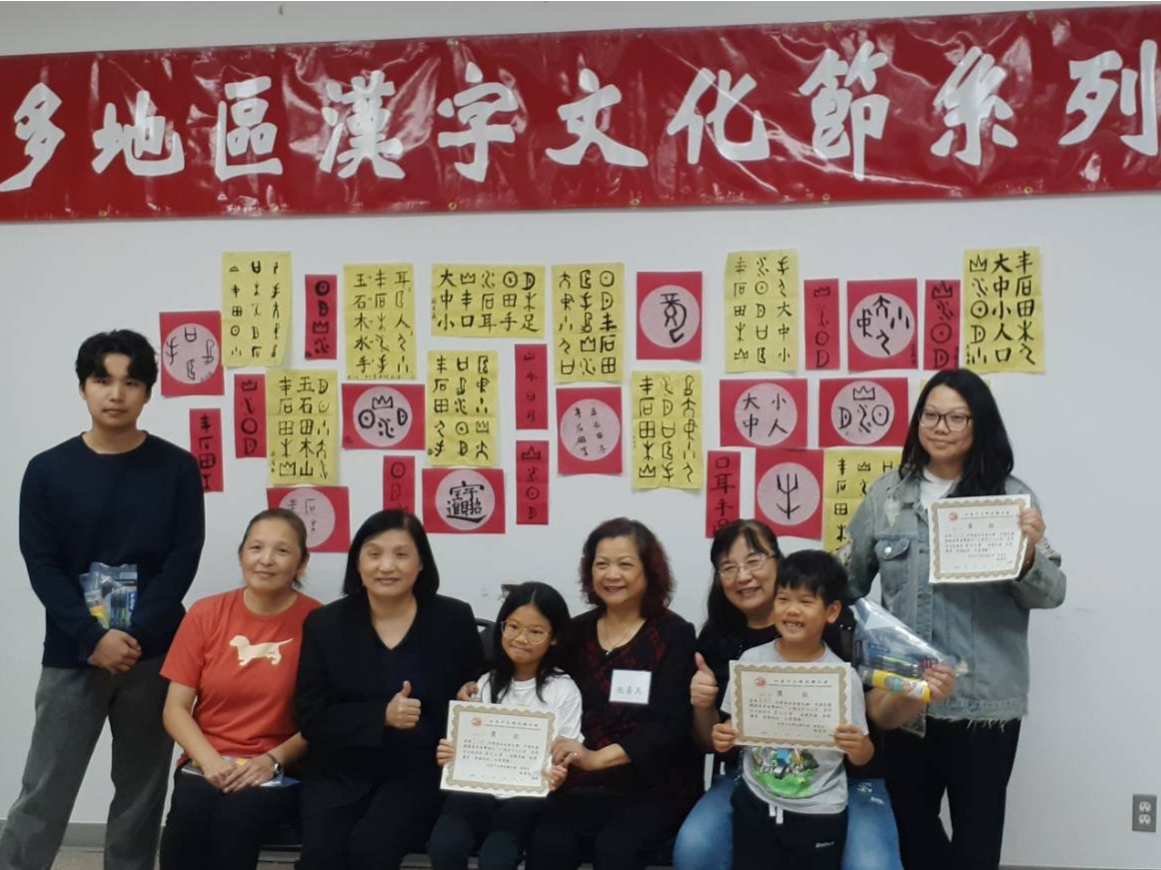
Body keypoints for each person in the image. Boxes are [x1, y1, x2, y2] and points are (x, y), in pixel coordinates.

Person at [0, 329, 205, 870]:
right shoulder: (47, 470)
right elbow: (41, 563)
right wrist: (93, 637)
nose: (116, 393)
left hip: (153, 653)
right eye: (102, 379)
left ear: (148, 393)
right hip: (74, 651)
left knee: (141, 789)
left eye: (131, 382)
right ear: (83, 387)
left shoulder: (177, 468)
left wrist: (132, 636)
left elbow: (182, 559)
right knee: (45, 785)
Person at [846, 368, 1066, 870]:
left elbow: (1053, 594)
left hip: (983, 704)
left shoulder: (1010, 500)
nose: (940, 427)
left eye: (956, 417)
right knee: (911, 836)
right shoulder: (886, 497)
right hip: (905, 699)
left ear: (979, 425)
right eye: (931, 415)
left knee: (976, 845)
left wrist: (1028, 555)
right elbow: (848, 586)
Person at [676, 519, 955, 870]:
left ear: (778, 561)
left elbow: (875, 713)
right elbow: (720, 736)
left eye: (754, 560)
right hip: (757, 782)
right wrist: (705, 709)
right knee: (697, 846)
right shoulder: (725, 641)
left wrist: (916, 690)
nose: (742, 575)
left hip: (836, 786)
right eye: (728, 567)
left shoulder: (840, 631)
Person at [294, 510, 485, 870]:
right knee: (321, 857)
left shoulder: (453, 619)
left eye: (401, 554)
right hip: (339, 770)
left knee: (372, 849)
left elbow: (478, 689)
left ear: (421, 563)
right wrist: (380, 715)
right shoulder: (324, 624)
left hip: (419, 770)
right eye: (374, 554)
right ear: (358, 562)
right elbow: (311, 717)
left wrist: (470, 693)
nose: (386, 566)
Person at [525, 518, 703, 870]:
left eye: (625, 564)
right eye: (602, 564)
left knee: (616, 850)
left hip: (654, 787)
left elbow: (667, 727)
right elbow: (535, 681)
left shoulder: (675, 634)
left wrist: (596, 758)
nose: (612, 575)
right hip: (581, 785)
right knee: (547, 844)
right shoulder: (575, 632)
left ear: (649, 571)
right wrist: (479, 686)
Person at [158, 509, 322, 869]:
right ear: (241, 555)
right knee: (187, 821)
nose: (266, 559)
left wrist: (271, 760)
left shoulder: (320, 623)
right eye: (256, 548)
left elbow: (325, 718)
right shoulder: (205, 613)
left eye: (282, 551)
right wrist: (210, 762)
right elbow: (175, 708)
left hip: (278, 765)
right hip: (207, 759)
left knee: (233, 823)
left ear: (301, 563)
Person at [712, 550, 872, 870]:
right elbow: (732, 727)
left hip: (819, 811)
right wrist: (724, 736)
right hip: (756, 802)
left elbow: (864, 754)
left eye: (806, 601)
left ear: (831, 611)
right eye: (783, 599)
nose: (792, 610)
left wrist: (857, 747)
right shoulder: (752, 662)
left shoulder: (842, 678)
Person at [428, 581, 580, 870]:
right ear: (501, 627)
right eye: (513, 627)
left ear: (555, 637)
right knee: (444, 847)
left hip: (526, 795)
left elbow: (567, 751)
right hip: (475, 791)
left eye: (536, 631)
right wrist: (450, 755)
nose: (521, 638)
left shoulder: (563, 689)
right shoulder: (485, 683)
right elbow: (466, 746)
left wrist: (558, 772)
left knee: (496, 859)